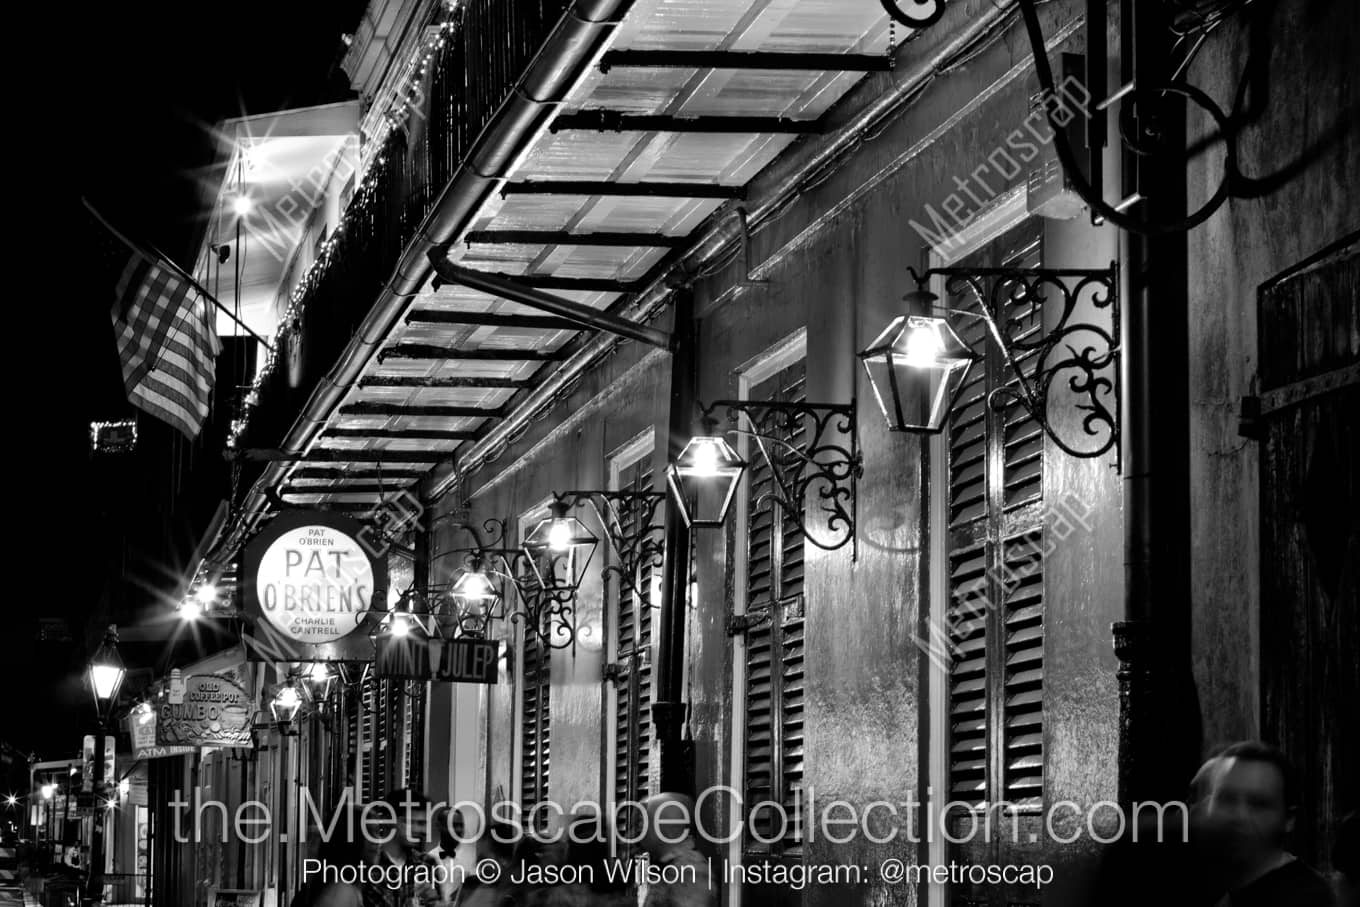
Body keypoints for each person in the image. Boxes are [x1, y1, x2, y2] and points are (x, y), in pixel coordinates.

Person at [1199, 741, 1335, 907]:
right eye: (1226, 799)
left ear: (1289, 819)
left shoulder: (1306, 899)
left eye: (1258, 804)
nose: (1239, 816)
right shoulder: (1213, 882)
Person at [636, 793, 713, 907]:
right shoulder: (671, 866)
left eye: (646, 822)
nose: (640, 828)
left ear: (669, 831)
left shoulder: (691, 873)